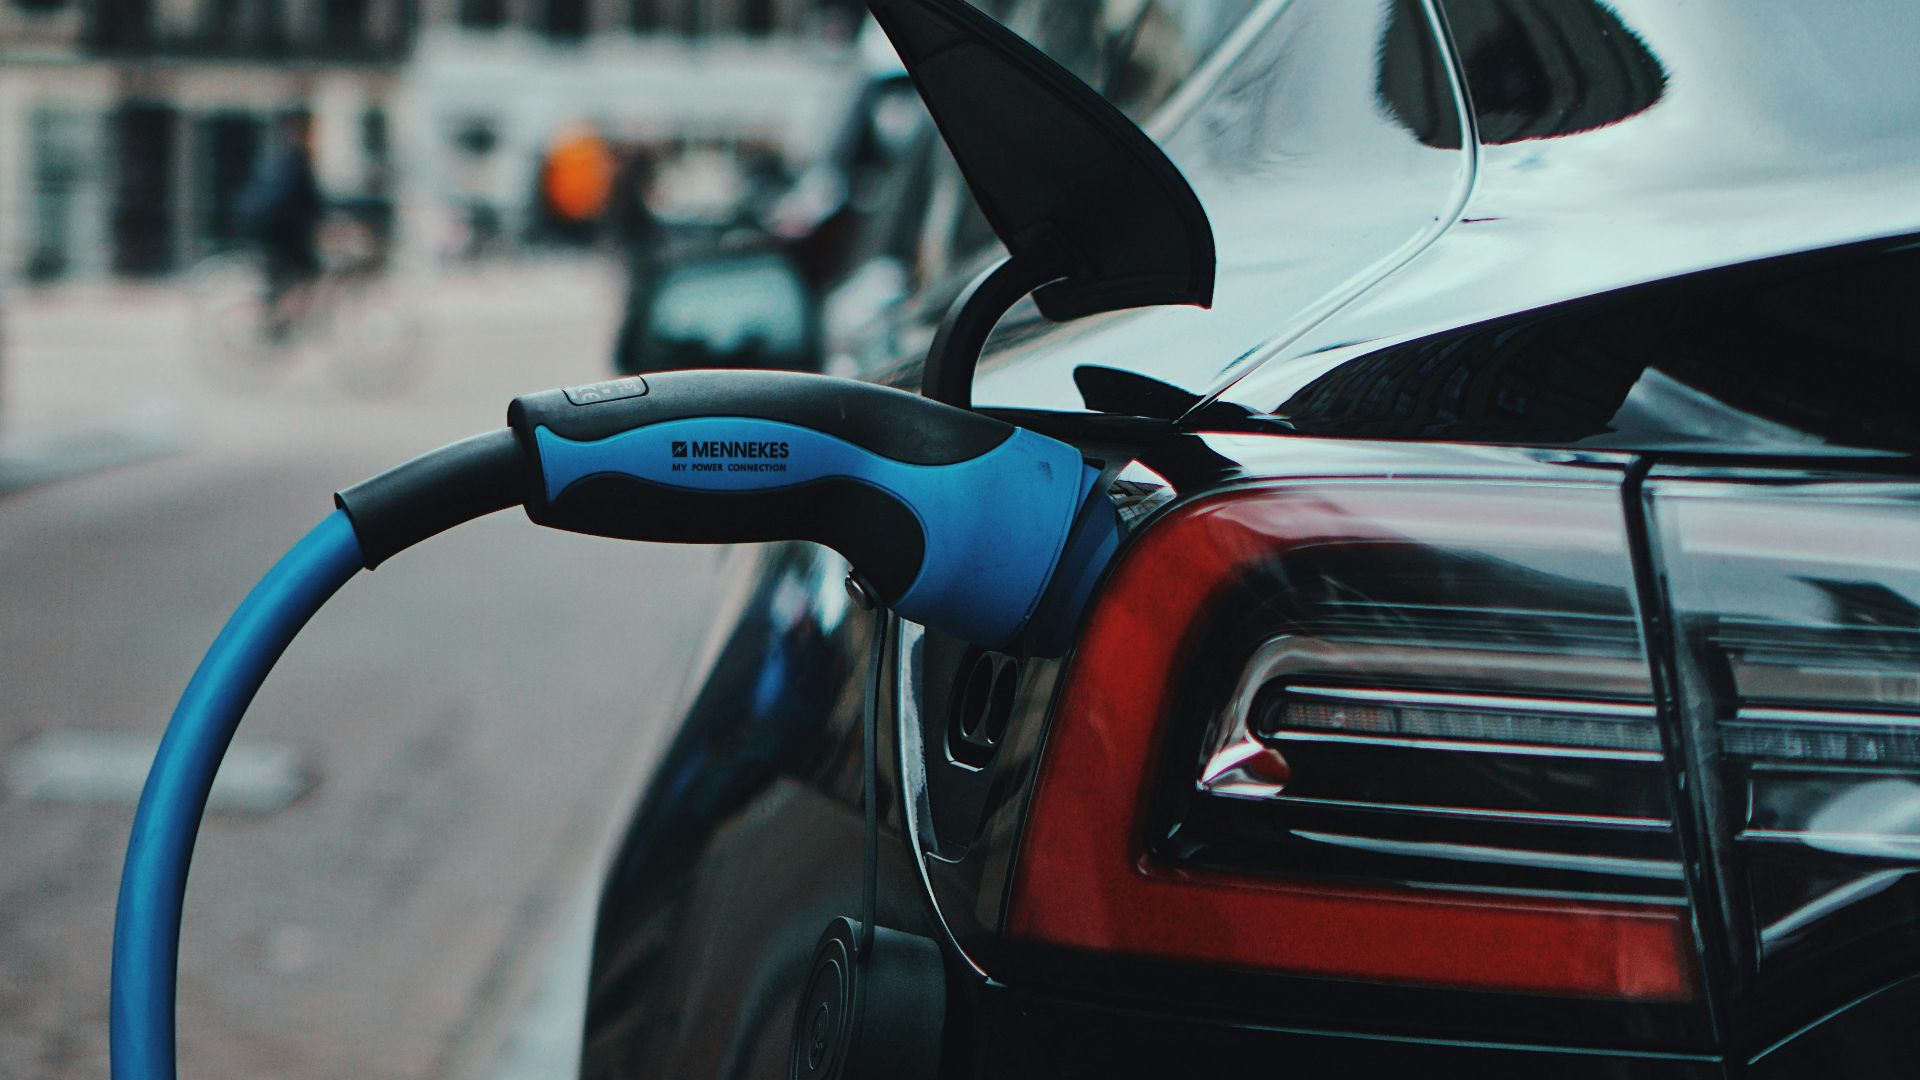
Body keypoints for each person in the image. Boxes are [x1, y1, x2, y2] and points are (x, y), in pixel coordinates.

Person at [239, 111, 325, 339]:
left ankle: (280, 320)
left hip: (273, 232)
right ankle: (282, 322)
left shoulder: (283, 157)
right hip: (281, 234)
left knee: (286, 278)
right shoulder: (297, 160)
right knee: (311, 270)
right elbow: (309, 200)